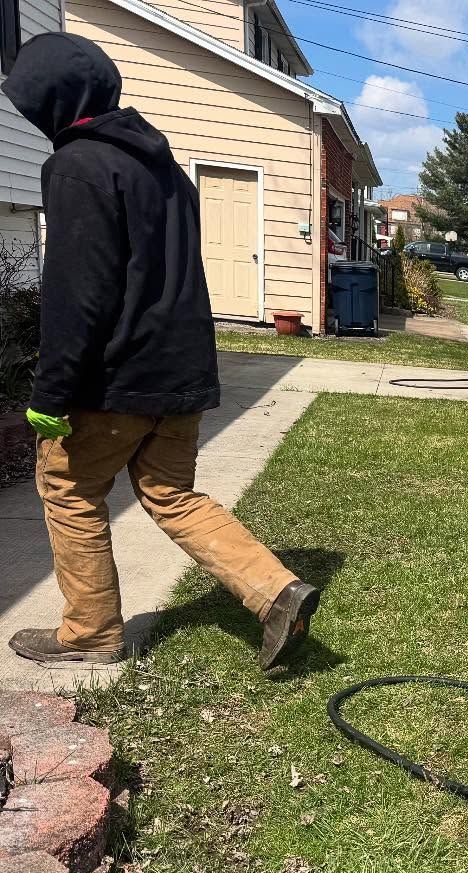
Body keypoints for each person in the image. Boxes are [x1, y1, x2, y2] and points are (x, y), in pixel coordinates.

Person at [1, 34, 318, 670]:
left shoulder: (78, 164)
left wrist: (50, 393)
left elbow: (76, 293)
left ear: (48, 100)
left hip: (116, 378)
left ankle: (91, 634)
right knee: (170, 494)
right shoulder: (165, 169)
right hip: (183, 372)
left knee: (68, 487)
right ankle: (276, 590)